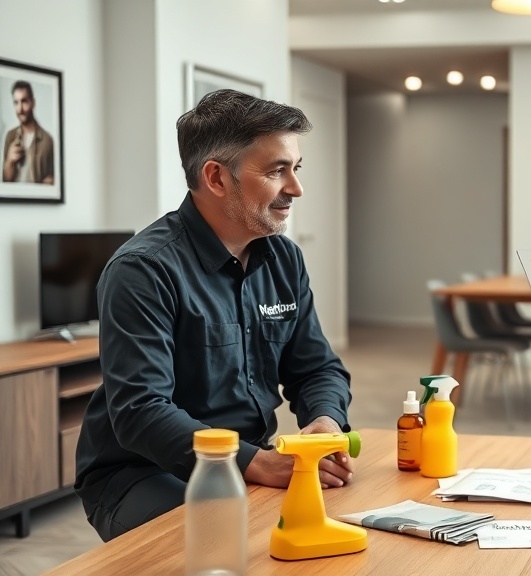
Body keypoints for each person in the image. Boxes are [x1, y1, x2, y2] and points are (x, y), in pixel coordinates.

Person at [75, 89, 356, 542]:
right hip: (143, 473)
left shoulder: (284, 259)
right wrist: (257, 463)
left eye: (296, 168)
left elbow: (317, 368)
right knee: (233, 543)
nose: (296, 188)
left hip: (247, 459)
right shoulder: (142, 270)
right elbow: (142, 412)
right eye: (277, 171)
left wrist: (325, 421)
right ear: (216, 177)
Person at [2, 80, 55, 184]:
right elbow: (5, 181)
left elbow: (53, 180)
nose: (20, 109)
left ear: (33, 103)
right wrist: (9, 161)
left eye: (24, 101)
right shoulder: (10, 136)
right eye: (16, 102)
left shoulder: (47, 140)